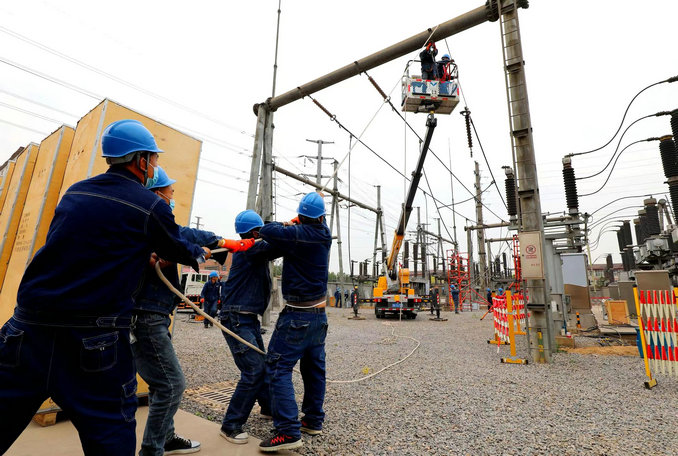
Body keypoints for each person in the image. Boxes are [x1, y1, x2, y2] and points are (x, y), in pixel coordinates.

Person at [0, 119, 209, 455]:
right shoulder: (150, 205)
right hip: (92, 339)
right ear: (141, 160)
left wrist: (139, 250)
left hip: (25, 331)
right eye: (154, 159)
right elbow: (180, 249)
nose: (156, 167)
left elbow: (85, 244)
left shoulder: (76, 192)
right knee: (110, 437)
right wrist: (201, 251)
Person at [132, 167, 253, 456]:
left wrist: (220, 243)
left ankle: (166, 438)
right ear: (157, 194)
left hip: (153, 314)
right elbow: (183, 235)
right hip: (146, 316)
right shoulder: (151, 222)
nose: (173, 196)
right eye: (170, 191)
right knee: (172, 384)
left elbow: (184, 234)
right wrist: (214, 246)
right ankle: (152, 449)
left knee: (161, 383)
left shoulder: (147, 223)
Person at [257, 192, 332, 452]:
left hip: (298, 315)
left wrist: (287, 223)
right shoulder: (324, 233)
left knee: (278, 368)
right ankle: (312, 420)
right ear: (321, 217)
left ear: (300, 216)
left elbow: (266, 229)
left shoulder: (298, 235)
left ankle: (288, 431)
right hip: (319, 316)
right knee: (313, 369)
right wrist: (298, 221)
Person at [218, 210, 282, 445]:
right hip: (236, 317)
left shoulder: (252, 248)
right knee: (253, 370)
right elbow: (278, 246)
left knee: (261, 365)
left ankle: (268, 408)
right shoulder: (250, 248)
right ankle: (230, 425)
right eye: (261, 230)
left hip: (246, 318)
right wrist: (284, 229)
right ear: (255, 233)